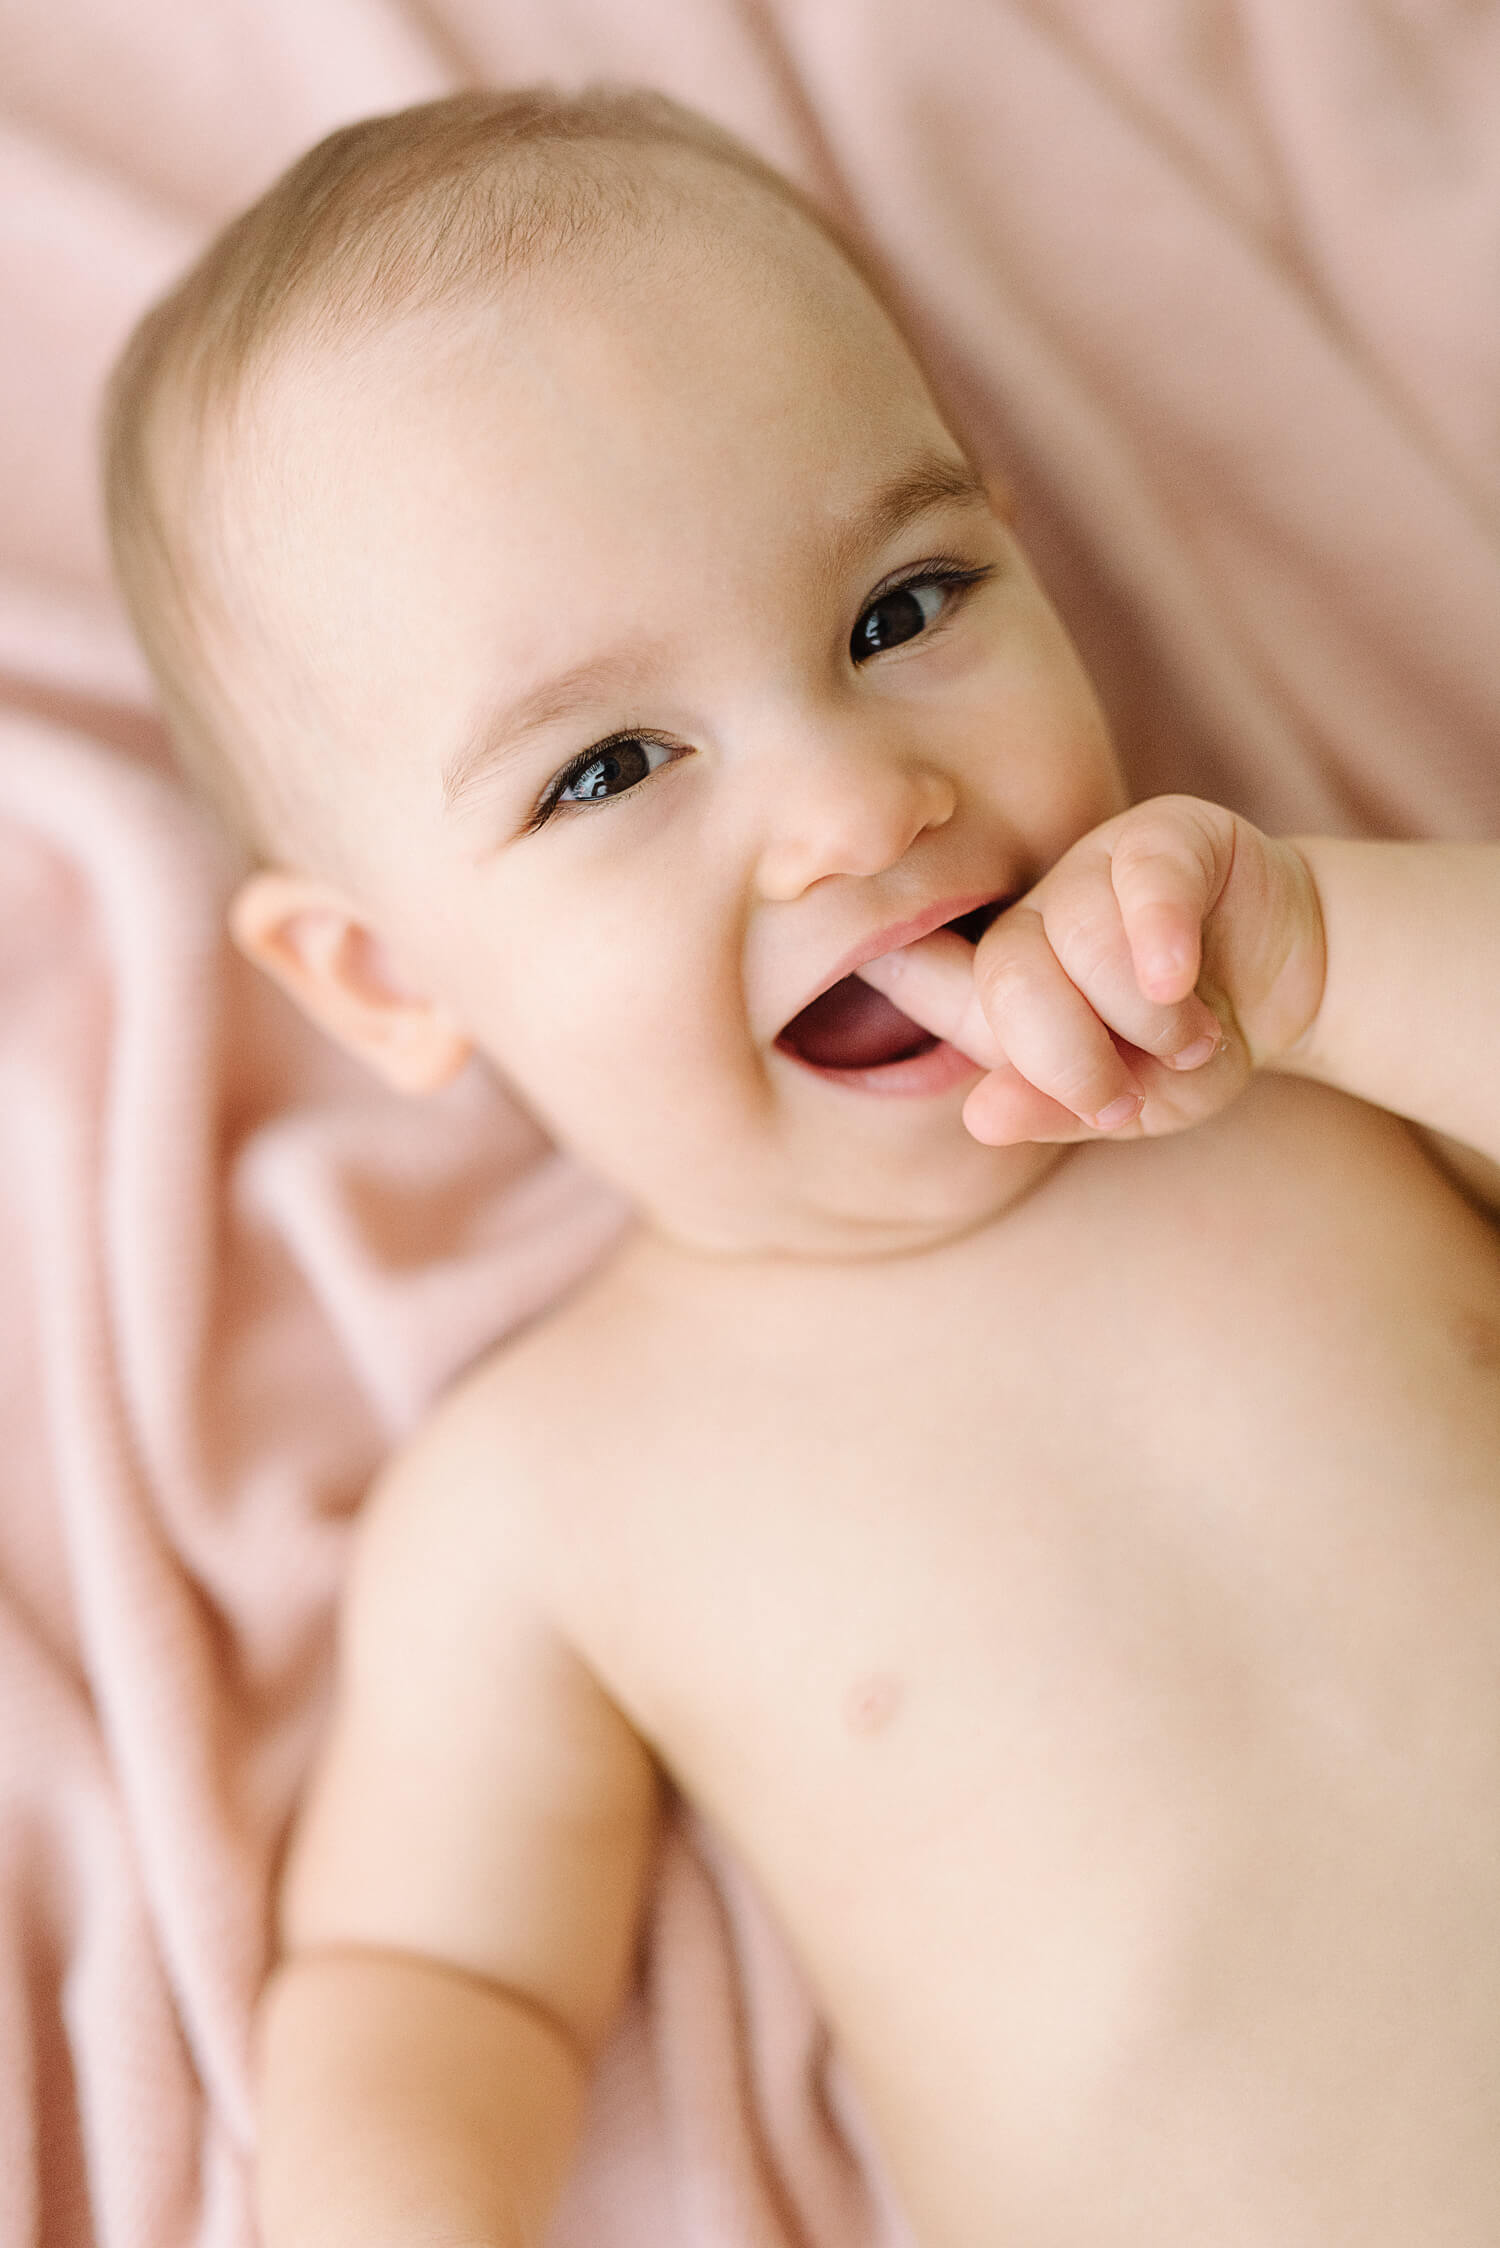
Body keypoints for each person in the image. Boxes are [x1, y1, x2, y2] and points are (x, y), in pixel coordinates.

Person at [102, 85, 1500, 2247]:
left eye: (901, 606)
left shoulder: (1322, 1073)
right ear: (384, 974)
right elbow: (426, 1979)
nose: (854, 807)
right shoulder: (547, 1489)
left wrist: (1323, 952)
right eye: (609, 766)